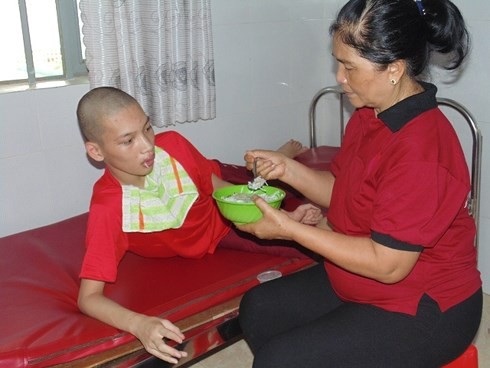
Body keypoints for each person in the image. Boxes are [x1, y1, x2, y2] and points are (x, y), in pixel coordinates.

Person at [237, 0, 482, 367]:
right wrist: (287, 169)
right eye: (338, 62)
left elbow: (388, 264)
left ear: (394, 69)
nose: (339, 76)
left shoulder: (422, 150)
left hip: (424, 306)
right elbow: (345, 191)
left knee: (280, 359)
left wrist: (289, 230)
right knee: (259, 308)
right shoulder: (370, 114)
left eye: (349, 66)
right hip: (363, 281)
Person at [75, 86, 322, 364]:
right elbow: (88, 298)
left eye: (147, 129)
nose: (147, 146)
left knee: (277, 196)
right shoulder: (109, 206)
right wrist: (139, 325)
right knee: (279, 200)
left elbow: (221, 189)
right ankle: (278, 159)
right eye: (128, 141)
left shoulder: (173, 146)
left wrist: (285, 221)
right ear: (96, 151)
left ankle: (280, 156)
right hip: (211, 229)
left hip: (221, 207)